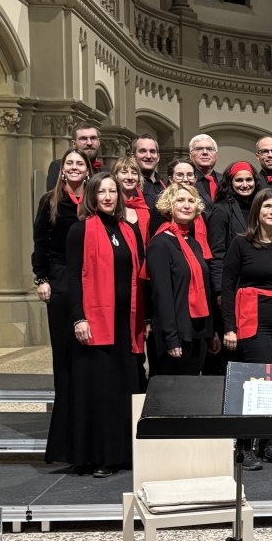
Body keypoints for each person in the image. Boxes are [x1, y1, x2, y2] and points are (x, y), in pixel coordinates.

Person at [66, 173, 146, 478]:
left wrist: (145, 320)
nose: (109, 197)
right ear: (92, 196)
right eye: (102, 192)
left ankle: (121, 454)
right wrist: (79, 317)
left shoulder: (128, 230)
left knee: (123, 389)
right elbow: (73, 276)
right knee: (99, 391)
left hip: (127, 322)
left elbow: (138, 275)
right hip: (96, 321)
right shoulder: (80, 230)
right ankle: (98, 456)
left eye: (113, 191)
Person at [220, 187, 272, 469]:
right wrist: (229, 326)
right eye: (267, 207)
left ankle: (269, 445)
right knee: (255, 385)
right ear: (257, 211)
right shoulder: (241, 243)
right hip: (253, 319)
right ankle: (244, 446)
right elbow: (227, 286)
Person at [32, 149, 91, 464]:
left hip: (91, 282)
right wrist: (41, 278)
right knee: (65, 358)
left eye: (80, 163)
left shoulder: (95, 200)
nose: (74, 167)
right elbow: (40, 242)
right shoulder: (49, 200)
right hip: (60, 280)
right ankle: (64, 437)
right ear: (62, 169)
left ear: (88, 169)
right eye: (69, 163)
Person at [146, 183, 218, 376]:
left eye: (191, 201)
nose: (186, 205)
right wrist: (171, 338)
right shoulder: (160, 244)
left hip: (198, 332)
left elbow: (205, 289)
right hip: (176, 334)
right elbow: (162, 296)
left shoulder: (194, 244)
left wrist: (211, 333)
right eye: (180, 200)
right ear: (169, 206)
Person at [207, 161, 259, 374]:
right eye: (239, 180)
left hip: (253, 285)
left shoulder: (259, 205)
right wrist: (219, 290)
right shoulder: (221, 210)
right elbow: (217, 253)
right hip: (231, 287)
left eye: (249, 180)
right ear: (230, 182)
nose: (245, 184)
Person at [45, 123, 106, 190]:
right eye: (83, 139)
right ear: (74, 143)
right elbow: (53, 197)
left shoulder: (106, 170)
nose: (89, 143)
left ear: (99, 142)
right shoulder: (58, 166)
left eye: (93, 138)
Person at [111, 156, 151, 245]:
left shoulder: (143, 209)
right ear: (115, 176)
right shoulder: (110, 207)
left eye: (134, 173)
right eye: (124, 172)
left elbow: (146, 243)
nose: (130, 177)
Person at [132, 134, 166, 208]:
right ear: (134, 157)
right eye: (143, 151)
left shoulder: (164, 186)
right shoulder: (130, 186)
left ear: (158, 157)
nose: (148, 156)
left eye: (152, 151)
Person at [189, 134, 221, 211]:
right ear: (190, 155)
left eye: (210, 149)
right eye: (199, 149)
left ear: (216, 155)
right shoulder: (184, 181)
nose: (205, 152)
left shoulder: (225, 180)